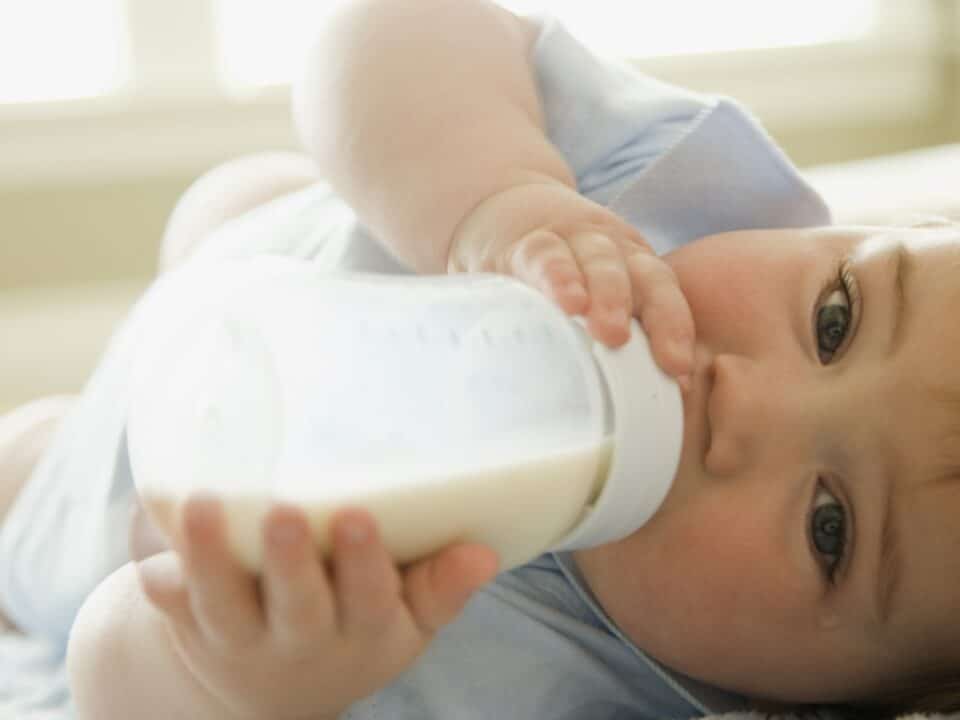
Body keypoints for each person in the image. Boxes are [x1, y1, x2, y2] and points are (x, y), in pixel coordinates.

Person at [2, 0, 959, 717]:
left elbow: (111, 667)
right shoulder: (663, 194)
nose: (738, 398)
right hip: (255, 291)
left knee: (42, 502)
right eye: (836, 317)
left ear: (803, 708)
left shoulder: (554, 698)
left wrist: (243, 677)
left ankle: (47, 462)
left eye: (830, 526)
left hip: (130, 526)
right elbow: (392, 30)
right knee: (259, 195)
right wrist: (498, 196)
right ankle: (213, 250)